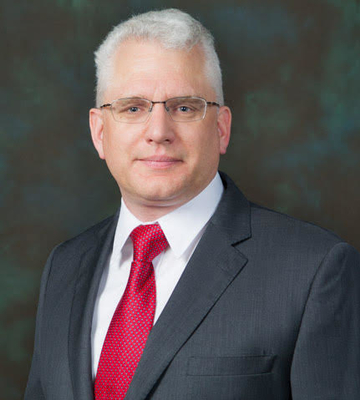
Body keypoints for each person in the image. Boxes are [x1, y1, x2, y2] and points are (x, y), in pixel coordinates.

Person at [24, 9, 360, 400]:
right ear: (99, 132)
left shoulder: (315, 271)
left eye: (184, 107)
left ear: (221, 128)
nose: (158, 132)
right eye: (133, 107)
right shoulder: (64, 268)